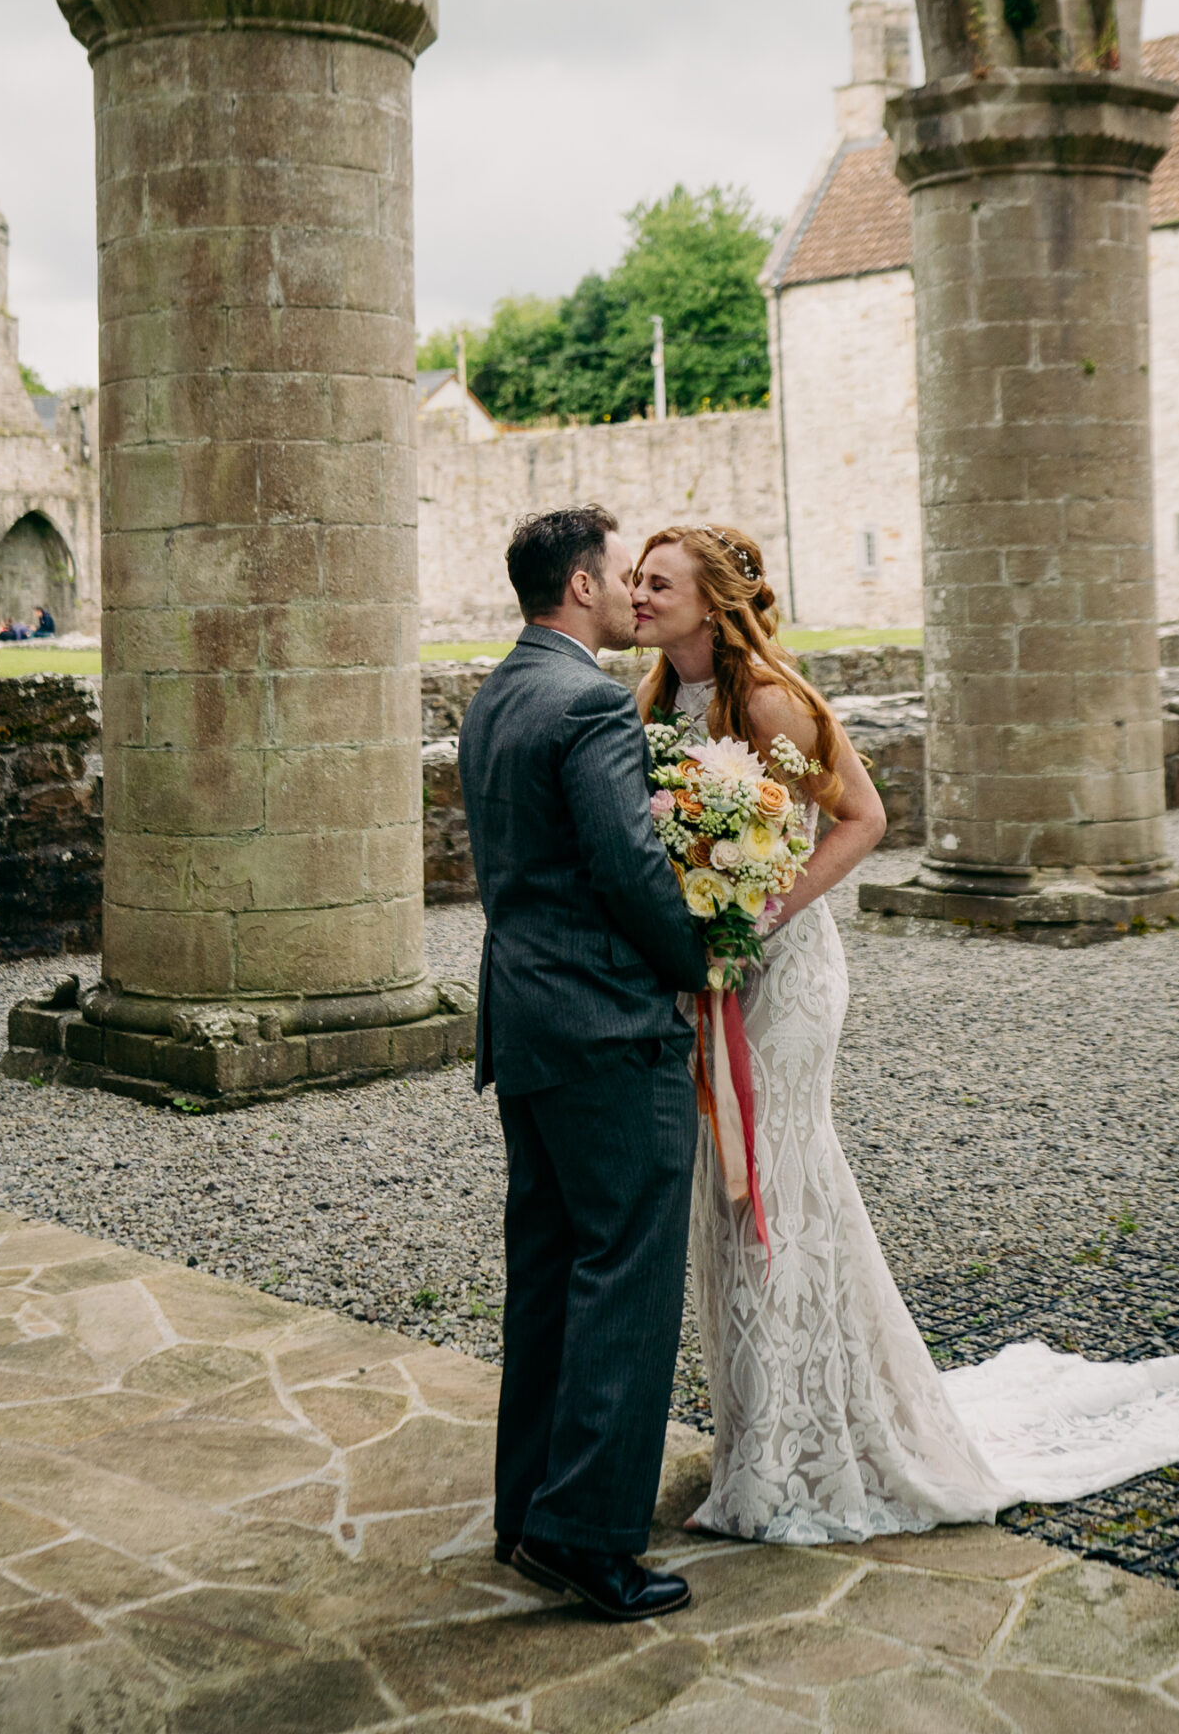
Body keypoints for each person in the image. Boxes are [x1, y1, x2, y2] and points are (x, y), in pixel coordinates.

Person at [632, 522, 1179, 1546]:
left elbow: (862, 815)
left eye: (657, 582)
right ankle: (763, 1436)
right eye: (636, 581)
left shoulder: (771, 697)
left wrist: (766, 910)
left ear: (712, 600)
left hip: (786, 971)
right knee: (729, 1186)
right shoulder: (655, 699)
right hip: (711, 969)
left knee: (774, 1177)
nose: (637, 596)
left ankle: (793, 1457)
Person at [460, 505, 712, 1621]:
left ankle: (528, 1509)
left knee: (552, 1272)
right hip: (611, 1028)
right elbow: (628, 869)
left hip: (526, 1026)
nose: (628, 591)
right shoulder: (594, 700)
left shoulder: (500, 692)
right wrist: (701, 958)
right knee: (627, 1274)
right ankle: (590, 1538)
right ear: (578, 585)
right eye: (617, 573)